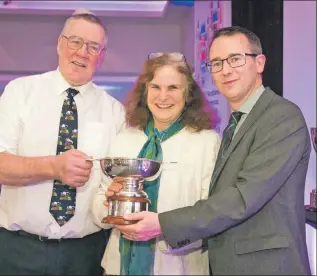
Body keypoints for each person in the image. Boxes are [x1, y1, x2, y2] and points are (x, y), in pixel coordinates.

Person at [113, 26, 312, 275]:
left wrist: (162, 223)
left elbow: (242, 198)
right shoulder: (237, 122)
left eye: (235, 59)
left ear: (259, 63)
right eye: (216, 63)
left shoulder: (281, 116)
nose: (225, 70)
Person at [0, 11, 125, 275]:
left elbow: (113, 185)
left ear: (101, 56)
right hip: (18, 250)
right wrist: (54, 167)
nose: (82, 53)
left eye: (93, 47)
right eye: (75, 42)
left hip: (85, 254)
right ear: (59, 44)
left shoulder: (115, 112)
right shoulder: (20, 92)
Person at [91, 52, 220, 275]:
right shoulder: (124, 139)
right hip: (119, 267)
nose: (163, 96)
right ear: (145, 91)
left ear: (188, 94)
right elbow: (98, 210)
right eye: (155, 87)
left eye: (173, 88)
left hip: (179, 267)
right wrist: (110, 201)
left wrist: (161, 227)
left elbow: (211, 214)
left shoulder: (207, 142)